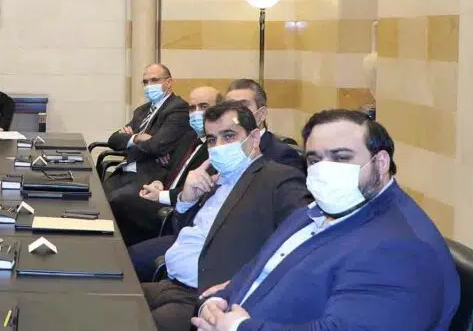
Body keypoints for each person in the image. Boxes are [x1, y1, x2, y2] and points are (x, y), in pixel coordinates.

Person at [194, 109, 458, 331]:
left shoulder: (401, 249)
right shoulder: (313, 213)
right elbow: (256, 268)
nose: (324, 169)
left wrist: (240, 328)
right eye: (314, 159)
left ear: (381, 162)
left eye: (341, 157)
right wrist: (217, 303)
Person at [142, 102, 310, 331]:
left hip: (207, 299)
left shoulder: (278, 178)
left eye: (229, 136)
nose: (218, 146)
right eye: (212, 140)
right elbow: (185, 233)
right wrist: (186, 200)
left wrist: (242, 283)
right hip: (170, 285)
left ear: (254, 138)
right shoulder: (214, 176)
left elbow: (304, 240)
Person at [110, 85, 220, 248]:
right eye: (192, 108)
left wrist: (161, 195)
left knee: (120, 202)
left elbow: (199, 190)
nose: (196, 113)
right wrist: (157, 183)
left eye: (203, 107)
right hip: (163, 195)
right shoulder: (189, 136)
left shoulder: (217, 149)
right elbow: (169, 168)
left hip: (177, 210)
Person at [103, 63, 193, 193]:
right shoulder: (141, 110)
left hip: (149, 176)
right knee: (94, 195)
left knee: (113, 199)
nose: (149, 85)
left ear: (168, 83)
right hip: (125, 170)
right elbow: (113, 140)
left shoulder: (178, 108)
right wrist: (137, 138)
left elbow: (157, 146)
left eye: (154, 80)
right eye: (145, 82)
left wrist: (130, 144)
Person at [225, 79, 303, 170]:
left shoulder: (283, 155)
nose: (235, 112)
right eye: (230, 107)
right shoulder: (221, 150)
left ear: (262, 114)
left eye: (243, 106)